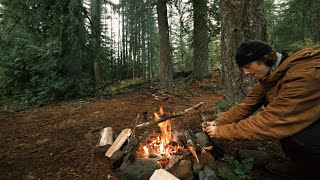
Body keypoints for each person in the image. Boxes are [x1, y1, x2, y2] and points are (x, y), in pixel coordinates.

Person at [202, 40, 320, 178]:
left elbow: (271, 122)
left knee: (294, 135)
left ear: (264, 58)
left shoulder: (303, 77)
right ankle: (302, 165)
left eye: (248, 66)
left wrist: (221, 132)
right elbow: (247, 104)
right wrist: (218, 123)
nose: (245, 72)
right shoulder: (273, 74)